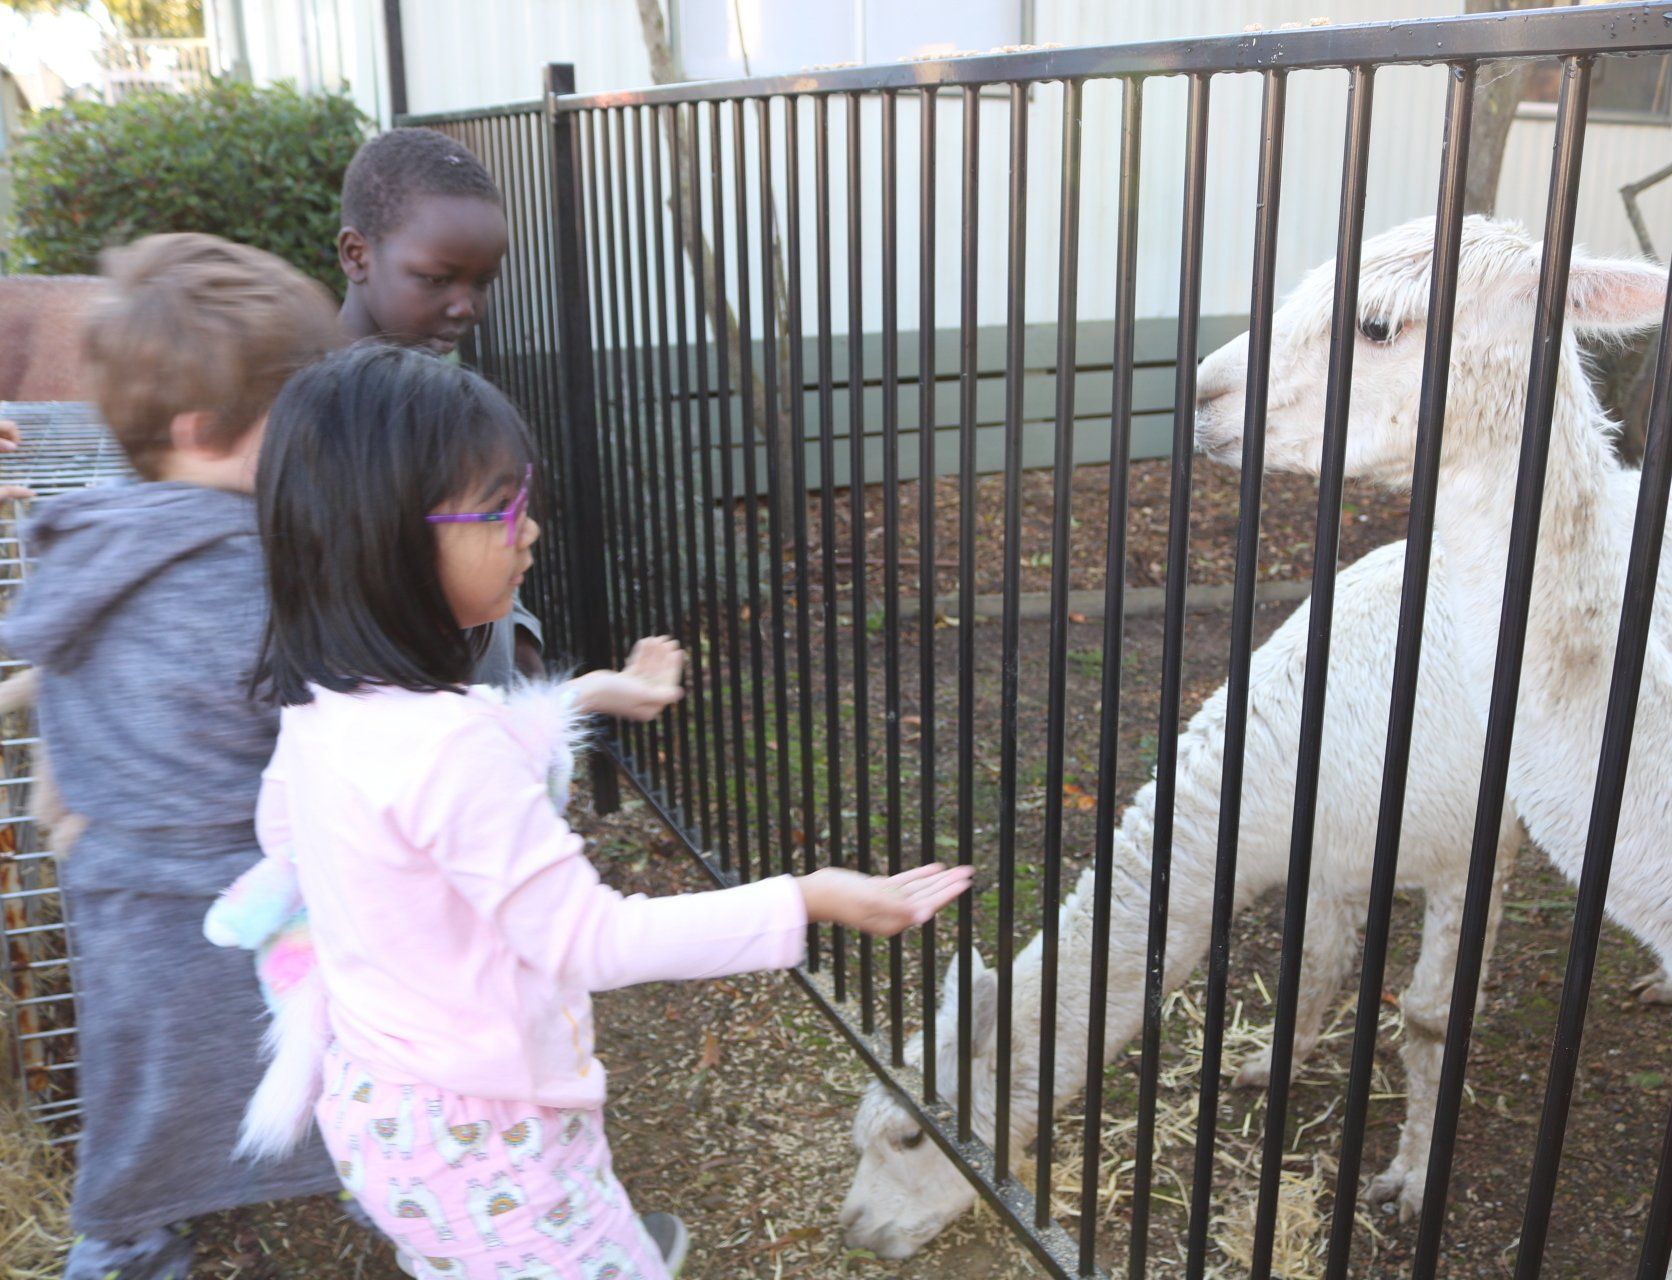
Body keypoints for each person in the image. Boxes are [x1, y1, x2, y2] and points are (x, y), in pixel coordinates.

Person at [221, 343, 973, 1278]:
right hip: (494, 1136)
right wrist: (805, 898)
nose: (530, 528)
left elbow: (309, 832)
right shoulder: (447, 747)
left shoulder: (323, 708)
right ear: (384, 540)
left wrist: (589, 694)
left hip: (389, 1115)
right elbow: (588, 939)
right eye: (501, 507)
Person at [0, 233, 351, 1280]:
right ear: (203, 430)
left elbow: (66, 687)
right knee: (362, 1058)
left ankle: (122, 1243)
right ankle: (465, 1204)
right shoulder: (248, 566)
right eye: (295, 416)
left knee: (139, 1091)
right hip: (256, 894)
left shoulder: (86, 544)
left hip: (119, 900)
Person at [334, 126, 541, 687]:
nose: (465, 306)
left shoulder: (444, 398)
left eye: (482, 282)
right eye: (436, 279)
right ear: (357, 255)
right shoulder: (324, 422)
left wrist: (521, 640)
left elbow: (486, 541)